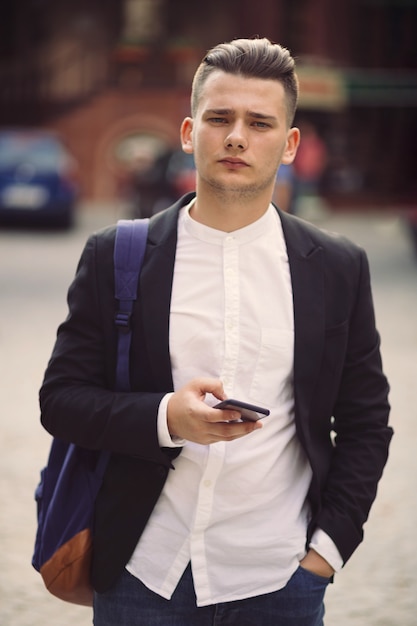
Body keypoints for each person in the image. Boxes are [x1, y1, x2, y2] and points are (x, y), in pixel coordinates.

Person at [39, 37, 392, 626]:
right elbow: (61, 400)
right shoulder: (116, 255)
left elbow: (364, 422)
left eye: (259, 123)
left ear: (290, 145)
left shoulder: (336, 266)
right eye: (219, 118)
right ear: (187, 132)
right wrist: (165, 419)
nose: (236, 137)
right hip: (140, 572)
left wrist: (325, 554)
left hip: (279, 580)